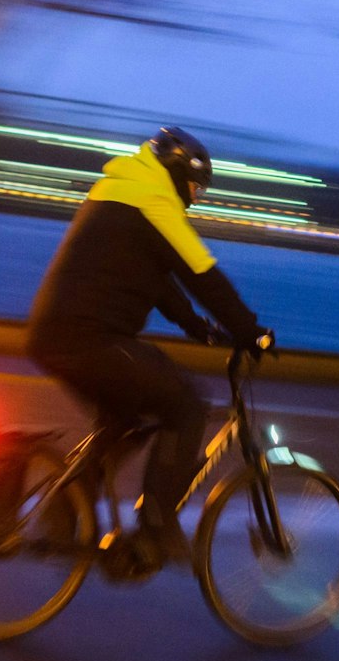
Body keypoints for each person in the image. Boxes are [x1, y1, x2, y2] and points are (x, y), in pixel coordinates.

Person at [26, 126, 273, 571]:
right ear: (179, 173)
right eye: (196, 187)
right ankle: (156, 527)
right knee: (186, 405)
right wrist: (250, 330)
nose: (196, 198)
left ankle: (63, 515)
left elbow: (156, 279)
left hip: (53, 335)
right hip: (91, 341)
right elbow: (202, 274)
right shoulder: (154, 201)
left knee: (124, 419)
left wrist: (198, 328)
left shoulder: (121, 189)